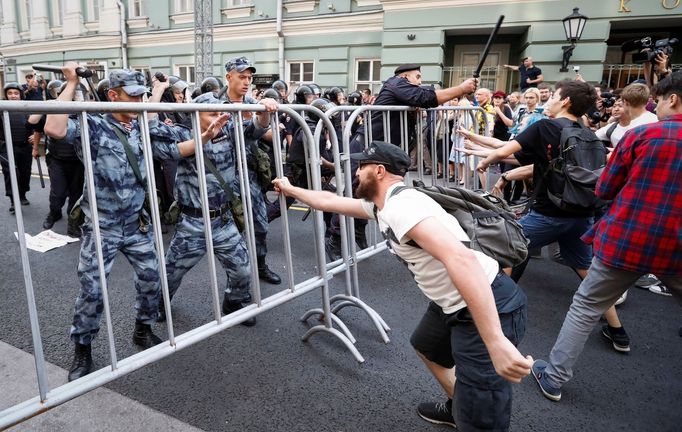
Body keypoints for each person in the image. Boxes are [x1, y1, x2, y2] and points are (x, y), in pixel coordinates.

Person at [273, 141, 532, 431]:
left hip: (486, 302)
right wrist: (292, 189)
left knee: (484, 414)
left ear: (379, 171)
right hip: (454, 302)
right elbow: (331, 202)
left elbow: (462, 260)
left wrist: (495, 340)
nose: (356, 173)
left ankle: (472, 415)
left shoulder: (402, 207)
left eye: (362, 167)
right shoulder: (384, 204)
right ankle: (460, 406)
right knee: (427, 347)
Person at [531, 71, 682, 402]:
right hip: (676, 247)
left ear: (673, 99)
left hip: (627, 238)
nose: (656, 107)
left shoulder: (642, 137)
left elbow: (604, 188)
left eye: (658, 100)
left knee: (585, 305)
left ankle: (554, 378)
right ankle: (616, 335)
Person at [473, 79, 631, 352]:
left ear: (565, 101)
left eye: (554, 96)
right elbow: (532, 162)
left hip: (548, 213)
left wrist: (486, 162)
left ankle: (497, 316)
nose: (550, 100)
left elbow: (505, 151)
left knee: (508, 251)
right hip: (581, 213)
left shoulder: (545, 127)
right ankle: (618, 333)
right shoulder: (588, 133)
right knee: (588, 273)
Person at [43, 64, 178, 381]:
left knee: (152, 278)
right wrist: (72, 83)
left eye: (141, 96)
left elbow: (156, 117)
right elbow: (55, 129)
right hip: (102, 228)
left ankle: (142, 330)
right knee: (93, 292)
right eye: (133, 96)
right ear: (112, 95)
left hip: (136, 225)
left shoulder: (140, 125)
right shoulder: (92, 126)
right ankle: (83, 349)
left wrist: (157, 90)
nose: (139, 102)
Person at [149, 90, 277, 326]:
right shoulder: (181, 134)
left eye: (221, 112)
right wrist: (158, 90)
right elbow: (149, 125)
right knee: (171, 273)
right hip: (192, 223)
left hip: (223, 220)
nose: (219, 117)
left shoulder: (228, 132)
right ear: (196, 116)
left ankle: (233, 303)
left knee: (243, 270)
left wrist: (264, 111)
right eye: (212, 114)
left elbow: (255, 129)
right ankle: (159, 303)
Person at [222, 56, 281, 284]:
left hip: (249, 176)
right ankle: (237, 284)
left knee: (260, 226)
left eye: (249, 77)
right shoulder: (212, 103)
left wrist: (264, 111)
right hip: (224, 178)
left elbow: (259, 131)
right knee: (229, 236)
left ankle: (259, 266)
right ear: (229, 77)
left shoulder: (251, 103)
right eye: (242, 77)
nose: (247, 82)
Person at [27, 80, 85, 235]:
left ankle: (73, 221)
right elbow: (33, 124)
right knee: (57, 193)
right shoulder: (53, 109)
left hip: (79, 161)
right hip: (57, 159)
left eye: (76, 93)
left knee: (76, 193)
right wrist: (46, 105)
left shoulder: (85, 111)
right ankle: (54, 213)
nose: (73, 96)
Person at [1, 83, 33, 214]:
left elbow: (37, 124)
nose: (13, 96)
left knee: (25, 172)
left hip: (25, 146)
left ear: (20, 94)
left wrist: (34, 135)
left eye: (16, 93)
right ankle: (14, 201)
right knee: (11, 173)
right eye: (10, 93)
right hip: (6, 148)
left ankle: (22, 194)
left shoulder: (27, 108)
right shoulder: (1, 108)